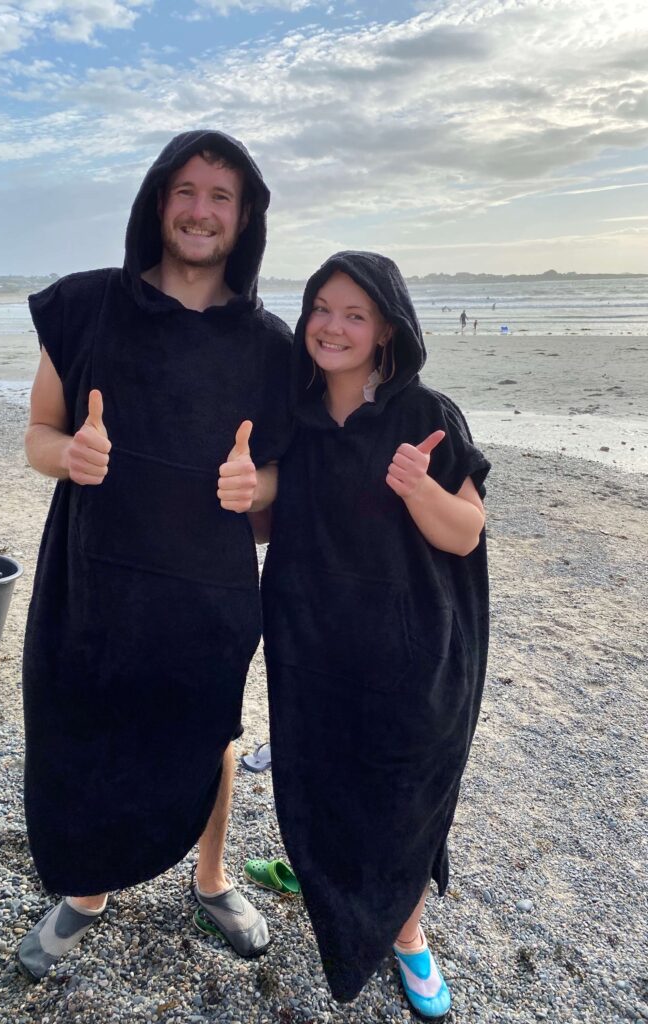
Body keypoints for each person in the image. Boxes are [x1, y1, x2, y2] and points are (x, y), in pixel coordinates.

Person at [17, 130, 292, 980]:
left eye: (221, 196)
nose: (201, 210)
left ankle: (210, 878)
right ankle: (88, 886)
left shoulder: (269, 344)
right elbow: (37, 433)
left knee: (207, 729)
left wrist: (258, 485)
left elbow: (287, 479)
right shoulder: (87, 306)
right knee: (81, 720)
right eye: (187, 190)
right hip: (93, 570)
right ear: (158, 200)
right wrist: (72, 457)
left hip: (205, 585)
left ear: (244, 219)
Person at [258, 252, 489, 1016]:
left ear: (387, 329)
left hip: (412, 648)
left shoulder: (428, 414)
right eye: (322, 307)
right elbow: (271, 521)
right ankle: (327, 883)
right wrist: (241, 492)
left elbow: (465, 534)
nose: (333, 325)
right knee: (319, 778)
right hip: (310, 644)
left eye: (355, 313)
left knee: (402, 794)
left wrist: (421, 490)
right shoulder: (292, 416)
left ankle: (408, 934)